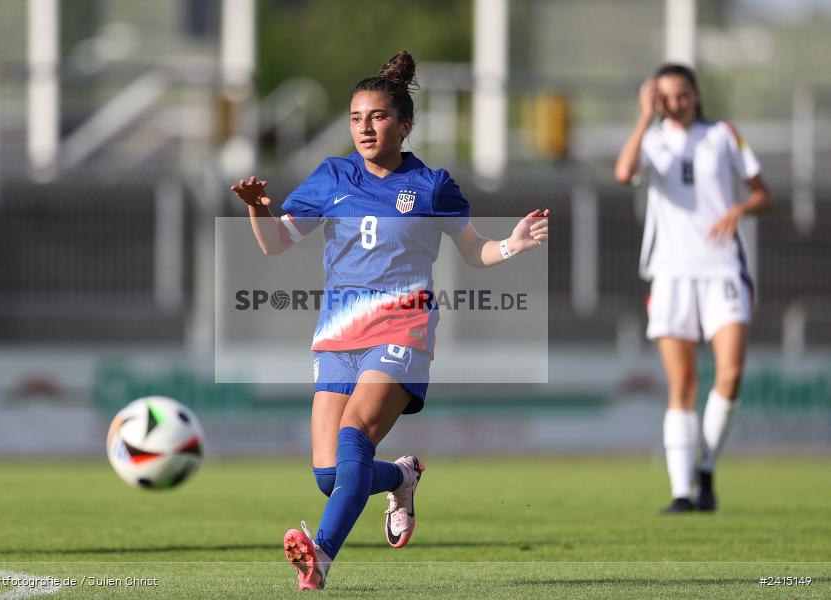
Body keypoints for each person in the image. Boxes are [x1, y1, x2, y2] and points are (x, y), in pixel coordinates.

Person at [232, 50, 549, 589]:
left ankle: (321, 557)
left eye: (377, 117)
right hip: (338, 333)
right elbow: (275, 244)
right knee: (331, 476)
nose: (365, 127)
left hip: (404, 328)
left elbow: (474, 251)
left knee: (355, 437)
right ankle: (402, 475)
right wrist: (257, 209)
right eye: (356, 118)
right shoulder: (332, 176)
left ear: (404, 124)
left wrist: (512, 245)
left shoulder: (431, 185)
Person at [614, 63, 773, 514]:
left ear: (696, 94)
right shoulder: (652, 138)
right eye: (666, 97)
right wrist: (645, 116)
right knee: (682, 383)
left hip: (723, 270)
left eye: (682, 95)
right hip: (670, 274)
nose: (676, 103)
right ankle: (683, 492)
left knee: (731, 374)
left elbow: (765, 194)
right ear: (656, 99)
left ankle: (706, 468)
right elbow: (624, 174)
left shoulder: (723, 135)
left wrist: (739, 209)